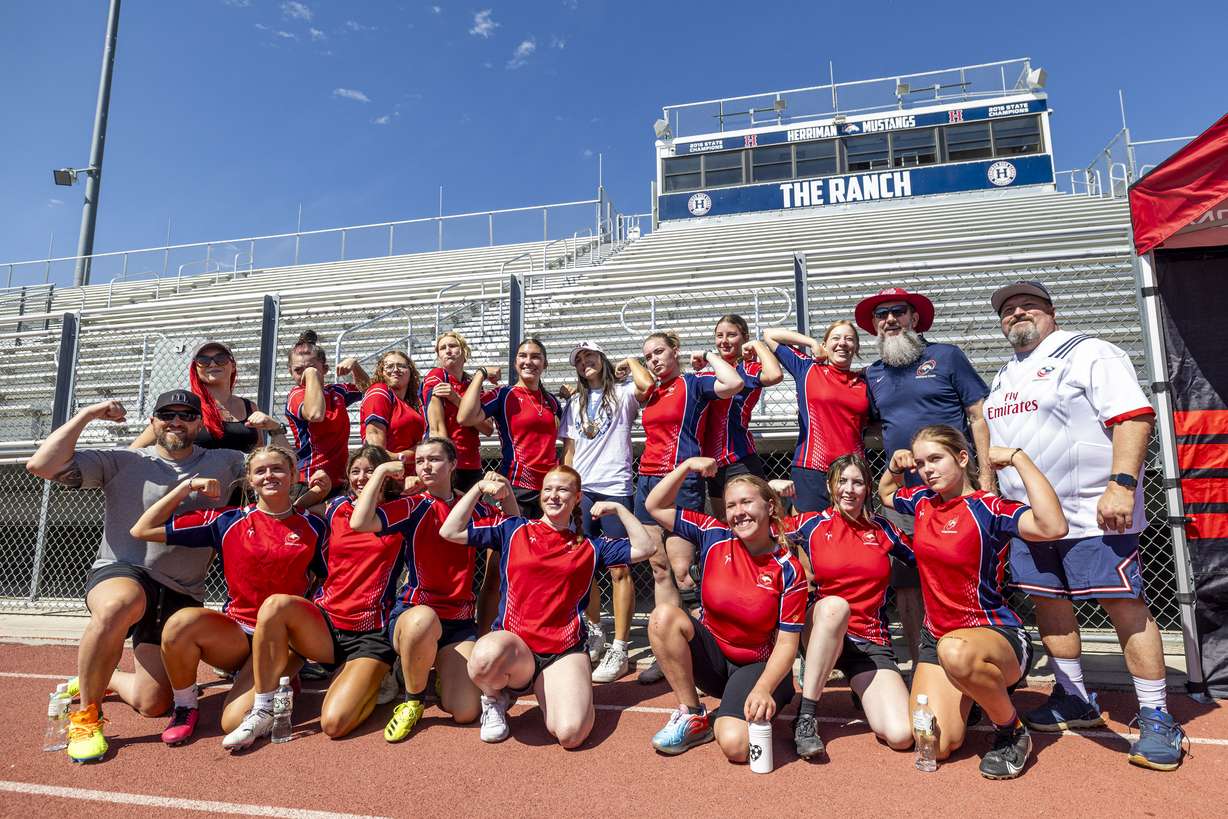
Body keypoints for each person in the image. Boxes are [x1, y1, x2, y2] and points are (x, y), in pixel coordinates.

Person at [984, 280, 1184, 770]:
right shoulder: (1004, 375)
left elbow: (1134, 418)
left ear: (1051, 312)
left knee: (1124, 606)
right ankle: (1075, 697)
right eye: (1007, 310)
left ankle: (1158, 715)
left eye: (1027, 305)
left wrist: (1122, 484)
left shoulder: (1090, 352)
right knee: (1050, 606)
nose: (1016, 314)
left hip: (1094, 509)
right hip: (1030, 518)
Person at [25, 391, 245, 763]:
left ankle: (101, 674)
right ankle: (86, 719)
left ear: (199, 422)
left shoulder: (226, 462)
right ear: (153, 421)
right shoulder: (123, 459)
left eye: (186, 414)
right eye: (166, 415)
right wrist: (88, 413)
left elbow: (279, 473)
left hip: (181, 591)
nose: (176, 421)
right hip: (124, 570)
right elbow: (40, 465)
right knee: (119, 604)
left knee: (153, 702)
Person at [879, 425, 1067, 780]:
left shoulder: (989, 507)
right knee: (931, 745)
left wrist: (1018, 459)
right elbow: (886, 493)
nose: (927, 469)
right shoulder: (921, 501)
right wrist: (893, 467)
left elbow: (1053, 526)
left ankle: (1012, 731)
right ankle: (972, 695)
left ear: (962, 458)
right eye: (920, 463)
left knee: (957, 651)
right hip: (938, 639)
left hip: (996, 636)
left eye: (936, 459)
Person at [128, 445, 331, 751]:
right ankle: (185, 706)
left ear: (293, 475)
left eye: (277, 469)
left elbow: (329, 579)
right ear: (249, 480)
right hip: (237, 635)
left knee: (232, 722)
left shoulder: (314, 526)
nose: (269, 476)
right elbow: (142, 529)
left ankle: (287, 674)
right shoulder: (226, 521)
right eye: (260, 471)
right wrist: (185, 488)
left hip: (280, 640)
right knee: (180, 622)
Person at [439, 465, 656, 748]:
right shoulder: (513, 529)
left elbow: (645, 548)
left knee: (570, 735)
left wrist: (618, 508)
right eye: (548, 489)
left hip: (562, 651)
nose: (554, 496)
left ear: (577, 498)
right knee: (483, 659)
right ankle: (495, 698)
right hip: (516, 647)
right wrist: (478, 489)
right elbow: (450, 530)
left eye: (563, 490)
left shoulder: (591, 546)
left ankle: (550, 690)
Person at [349, 437, 519, 743]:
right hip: (414, 615)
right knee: (423, 619)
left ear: (453, 464)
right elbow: (360, 522)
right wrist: (380, 473)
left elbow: (515, 529)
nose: (426, 466)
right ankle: (412, 698)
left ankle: (439, 670)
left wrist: (505, 489)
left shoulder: (473, 509)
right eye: (421, 460)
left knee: (466, 711)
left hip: (457, 624)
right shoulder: (414, 505)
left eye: (435, 459)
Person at [856, 287, 993, 665]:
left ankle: (970, 660)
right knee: (907, 584)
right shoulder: (874, 374)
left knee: (962, 577)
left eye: (897, 312)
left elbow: (978, 414)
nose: (889, 320)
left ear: (914, 318)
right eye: (880, 315)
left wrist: (986, 479)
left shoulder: (945, 356)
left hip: (953, 495)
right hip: (902, 499)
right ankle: (922, 664)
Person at [643, 457, 807, 762]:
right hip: (714, 662)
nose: (738, 512)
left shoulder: (788, 569)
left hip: (757, 667)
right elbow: (654, 505)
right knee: (663, 616)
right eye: (731, 505)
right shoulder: (714, 534)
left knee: (737, 747)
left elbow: (787, 644)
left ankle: (739, 709)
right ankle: (692, 715)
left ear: (770, 507)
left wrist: (763, 688)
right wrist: (687, 466)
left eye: (746, 502)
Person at [788, 453, 914, 759]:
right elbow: (756, 532)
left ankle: (861, 689)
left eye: (857, 482)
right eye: (842, 481)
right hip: (822, 628)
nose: (849, 489)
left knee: (901, 736)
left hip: (869, 642)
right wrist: (771, 495)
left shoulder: (883, 529)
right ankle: (805, 717)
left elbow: (927, 556)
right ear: (831, 486)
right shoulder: (811, 523)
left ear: (868, 489)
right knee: (835, 608)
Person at [457, 337, 561, 632]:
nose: (529, 361)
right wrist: (479, 374)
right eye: (523, 356)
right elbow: (465, 417)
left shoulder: (552, 401)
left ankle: (531, 628)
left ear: (545, 363)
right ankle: (484, 635)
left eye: (536, 356)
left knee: (540, 565)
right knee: (497, 568)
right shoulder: (504, 395)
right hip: (514, 488)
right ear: (515, 362)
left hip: (549, 493)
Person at [560, 341, 643, 682]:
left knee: (619, 568)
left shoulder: (624, 393)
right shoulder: (574, 402)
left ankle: (620, 646)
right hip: (582, 490)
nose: (584, 362)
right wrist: (567, 486)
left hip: (614, 488)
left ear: (603, 359)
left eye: (590, 356)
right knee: (584, 566)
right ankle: (595, 632)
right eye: (578, 359)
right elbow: (569, 449)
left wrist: (627, 360)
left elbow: (648, 384)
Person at [763, 321, 870, 512]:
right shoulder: (807, 369)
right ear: (825, 344)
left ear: (856, 347)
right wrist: (811, 343)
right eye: (835, 338)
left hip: (853, 472)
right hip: (812, 469)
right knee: (811, 534)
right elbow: (770, 335)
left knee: (853, 534)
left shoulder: (866, 382)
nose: (842, 343)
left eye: (849, 339)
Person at [130, 341, 288, 453]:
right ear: (196, 369)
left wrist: (275, 428)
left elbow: (257, 449)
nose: (212, 364)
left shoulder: (249, 407)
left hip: (240, 493)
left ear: (232, 366)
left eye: (220, 359)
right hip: (197, 493)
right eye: (203, 361)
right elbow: (136, 449)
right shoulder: (186, 406)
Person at [698, 315, 783, 509]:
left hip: (738, 457)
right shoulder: (712, 370)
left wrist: (757, 345)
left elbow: (775, 375)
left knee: (755, 517)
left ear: (744, 337)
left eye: (731, 335)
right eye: (719, 335)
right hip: (711, 462)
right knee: (724, 520)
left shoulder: (747, 367)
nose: (724, 341)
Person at [284, 329, 370, 488]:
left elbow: (369, 390)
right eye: (298, 370)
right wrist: (311, 374)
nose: (303, 374)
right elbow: (315, 414)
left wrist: (355, 366)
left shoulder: (336, 391)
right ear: (290, 372)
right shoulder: (296, 395)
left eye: (311, 367)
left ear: (325, 369)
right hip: (310, 480)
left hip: (341, 478)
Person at [421, 330, 497, 492]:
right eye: (442, 348)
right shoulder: (437, 376)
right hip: (448, 463)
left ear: (464, 352)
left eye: (453, 346)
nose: (448, 350)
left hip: (472, 463)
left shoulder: (472, 384)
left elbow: (488, 428)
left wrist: (456, 399)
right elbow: (437, 430)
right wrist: (447, 465)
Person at [361, 350, 426, 467]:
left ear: (411, 372)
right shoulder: (379, 391)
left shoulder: (414, 404)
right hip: (389, 475)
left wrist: (399, 457)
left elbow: (422, 447)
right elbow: (374, 437)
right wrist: (385, 466)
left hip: (412, 475)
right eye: (389, 366)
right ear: (381, 373)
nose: (395, 369)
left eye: (401, 366)